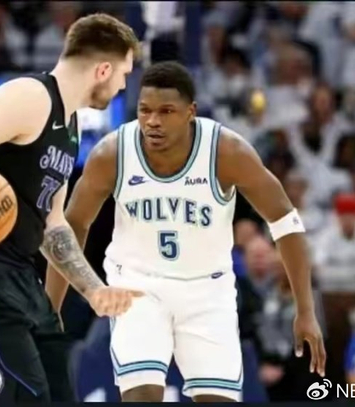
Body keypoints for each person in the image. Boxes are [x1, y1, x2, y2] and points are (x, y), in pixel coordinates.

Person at [45, 61, 326, 402]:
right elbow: (70, 227)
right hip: (138, 288)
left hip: (207, 291)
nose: (153, 121)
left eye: (166, 111)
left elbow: (286, 222)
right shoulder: (112, 153)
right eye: (145, 110)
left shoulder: (226, 152)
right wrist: (51, 309)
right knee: (141, 396)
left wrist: (305, 309)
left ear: (190, 112)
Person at [0, 13, 142, 403]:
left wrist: (94, 290)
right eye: (124, 73)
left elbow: (52, 224)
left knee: (60, 395)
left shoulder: (71, 127)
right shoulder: (30, 96)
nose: (123, 85)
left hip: (19, 275)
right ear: (103, 70)